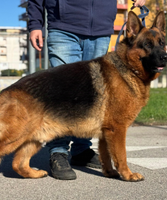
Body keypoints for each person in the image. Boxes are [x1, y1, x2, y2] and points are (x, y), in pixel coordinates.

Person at [28, 0, 146, 180]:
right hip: (63, 25)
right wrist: (35, 24)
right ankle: (58, 151)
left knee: (94, 96)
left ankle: (81, 149)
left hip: (101, 27)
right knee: (64, 93)